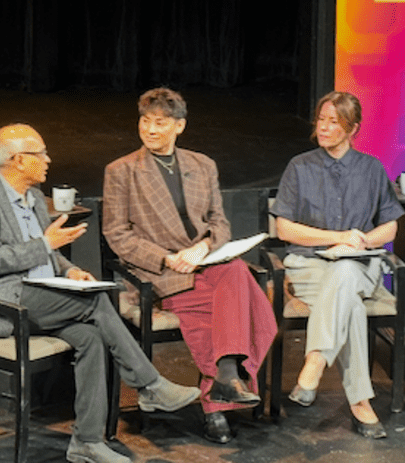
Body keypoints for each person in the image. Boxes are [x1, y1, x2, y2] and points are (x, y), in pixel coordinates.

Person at [0, 124, 200, 463]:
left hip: (41, 295)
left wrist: (68, 269)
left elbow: (49, 254)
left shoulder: (35, 199)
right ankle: (150, 385)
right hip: (3, 301)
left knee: (90, 337)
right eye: (40, 153)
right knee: (96, 300)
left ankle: (86, 442)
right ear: (17, 160)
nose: (48, 159)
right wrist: (46, 244)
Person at [102, 87, 277, 444]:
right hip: (160, 272)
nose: (150, 129)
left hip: (204, 262)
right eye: (145, 121)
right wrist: (167, 258)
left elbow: (220, 223)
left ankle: (221, 388)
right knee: (246, 299)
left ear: (179, 126)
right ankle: (223, 387)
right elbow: (117, 234)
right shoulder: (121, 171)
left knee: (234, 271)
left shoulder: (202, 164)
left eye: (160, 123)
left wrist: (203, 247)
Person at [269, 91, 405, 439]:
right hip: (310, 265)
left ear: (352, 128)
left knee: (346, 272)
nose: (324, 128)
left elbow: (389, 225)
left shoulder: (372, 168)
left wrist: (363, 240)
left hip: (359, 264)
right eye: (321, 120)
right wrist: (337, 237)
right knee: (352, 310)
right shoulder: (300, 166)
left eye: (334, 122)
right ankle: (360, 403)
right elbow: (284, 228)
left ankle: (315, 359)